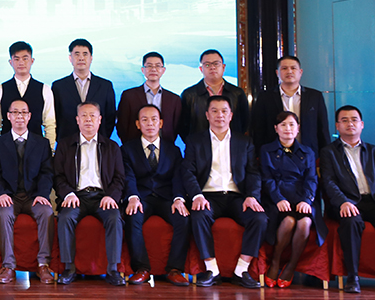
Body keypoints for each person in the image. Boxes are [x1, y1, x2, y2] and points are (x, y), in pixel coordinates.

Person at [320, 106, 375, 295]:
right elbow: (328, 181)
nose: (350, 124)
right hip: (346, 202)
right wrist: (342, 202)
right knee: (351, 221)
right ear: (337, 126)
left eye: (354, 119)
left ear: (362, 124)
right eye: (344, 120)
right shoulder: (329, 152)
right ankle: (353, 277)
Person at [181, 95, 266, 288]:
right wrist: (197, 195)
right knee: (198, 215)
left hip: (237, 197)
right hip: (208, 196)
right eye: (214, 111)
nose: (219, 115)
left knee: (259, 218)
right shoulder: (195, 141)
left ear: (231, 115)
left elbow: (253, 172)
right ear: (207, 115)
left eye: (224, 111)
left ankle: (241, 270)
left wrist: (252, 196)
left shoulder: (244, 142)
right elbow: (188, 171)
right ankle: (212, 269)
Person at [53, 102, 126, 286]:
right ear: (77, 120)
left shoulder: (111, 146)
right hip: (76, 197)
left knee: (115, 218)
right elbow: (58, 176)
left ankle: (113, 269)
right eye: (84, 116)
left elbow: (119, 178)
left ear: (100, 120)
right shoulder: (65, 145)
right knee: (65, 217)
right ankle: (69, 268)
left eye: (92, 116)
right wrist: (68, 194)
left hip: (103, 197)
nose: (88, 120)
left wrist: (111, 196)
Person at [121, 104, 191, 287]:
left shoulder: (173, 150)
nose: (149, 123)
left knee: (183, 218)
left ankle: (175, 269)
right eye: (144, 120)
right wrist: (133, 197)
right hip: (141, 197)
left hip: (167, 198)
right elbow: (128, 176)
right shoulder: (127, 149)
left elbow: (178, 178)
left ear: (161, 123)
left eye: (153, 119)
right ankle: (141, 269)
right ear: (138, 124)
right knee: (132, 217)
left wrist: (179, 199)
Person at [0, 98, 55, 285]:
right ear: (8, 116)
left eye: (24, 112)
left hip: (33, 196)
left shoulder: (42, 143)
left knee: (46, 212)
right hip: (9, 196)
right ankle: (8, 266)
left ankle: (43, 264)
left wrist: (42, 194)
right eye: (15, 112)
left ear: (29, 116)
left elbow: (47, 173)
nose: (20, 116)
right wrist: (1, 193)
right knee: (4, 214)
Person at [260, 111, 325, 288]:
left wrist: (307, 200)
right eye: (283, 125)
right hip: (277, 199)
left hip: (302, 198)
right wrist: (278, 198)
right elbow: (267, 178)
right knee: (288, 221)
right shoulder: (266, 150)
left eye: (291, 125)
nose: (287, 128)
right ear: (276, 128)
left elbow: (311, 179)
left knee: (304, 223)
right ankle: (275, 261)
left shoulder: (308, 152)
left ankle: (291, 265)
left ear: (298, 129)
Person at [253, 55, 332, 155]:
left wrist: (325, 156)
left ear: (300, 72)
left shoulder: (315, 96)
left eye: (293, 68)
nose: (289, 71)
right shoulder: (265, 97)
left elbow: (322, 129)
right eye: (284, 68)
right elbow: (259, 129)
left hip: (308, 154)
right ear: (277, 73)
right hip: (274, 156)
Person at [0, 42, 57, 147]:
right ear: (10, 62)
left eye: (25, 58)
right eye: (16, 59)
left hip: (37, 149)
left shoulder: (44, 89)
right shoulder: (0, 90)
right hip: (6, 148)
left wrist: (50, 150)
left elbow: (49, 124)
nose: (21, 62)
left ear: (32, 61)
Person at [178, 49, 250, 143]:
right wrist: (194, 145)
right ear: (201, 69)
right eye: (207, 65)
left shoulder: (237, 93)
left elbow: (245, 123)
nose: (212, 67)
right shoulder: (189, 94)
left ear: (223, 67)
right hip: (200, 147)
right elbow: (182, 127)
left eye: (216, 64)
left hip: (231, 146)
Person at [51, 38, 116, 142]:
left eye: (85, 54)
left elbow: (110, 117)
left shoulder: (105, 85)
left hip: (97, 142)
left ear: (91, 58)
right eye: (76, 54)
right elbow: (55, 117)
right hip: (67, 143)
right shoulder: (58, 86)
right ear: (70, 58)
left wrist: (102, 137)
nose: (81, 58)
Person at [116, 52, 182, 144]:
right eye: (149, 66)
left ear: (163, 70)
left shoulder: (174, 99)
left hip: (166, 148)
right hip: (135, 148)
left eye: (157, 66)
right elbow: (122, 125)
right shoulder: (129, 95)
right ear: (143, 70)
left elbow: (176, 127)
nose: (153, 69)